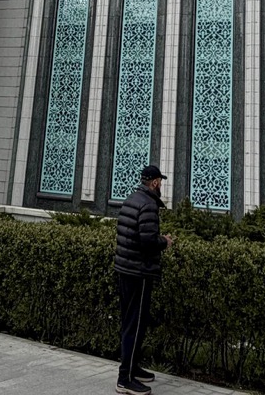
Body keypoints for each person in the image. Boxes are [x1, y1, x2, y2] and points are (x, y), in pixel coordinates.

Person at [114, 165, 174, 395]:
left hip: (125, 270)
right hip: (138, 273)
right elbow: (147, 241)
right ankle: (125, 379)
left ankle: (133, 367)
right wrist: (165, 241)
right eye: (161, 182)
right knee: (135, 324)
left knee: (131, 322)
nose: (161, 186)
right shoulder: (148, 205)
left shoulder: (132, 199)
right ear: (155, 182)